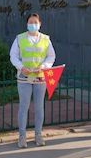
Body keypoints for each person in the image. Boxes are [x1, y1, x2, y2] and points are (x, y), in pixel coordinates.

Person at [9, 13, 56, 148]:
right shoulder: (20, 38)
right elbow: (13, 56)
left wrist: (44, 66)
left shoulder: (46, 39)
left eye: (35, 22)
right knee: (24, 107)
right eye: (30, 22)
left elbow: (51, 56)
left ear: (40, 24)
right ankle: (22, 137)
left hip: (40, 77)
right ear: (27, 24)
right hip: (24, 78)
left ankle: (38, 135)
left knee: (39, 108)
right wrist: (21, 67)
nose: (33, 25)